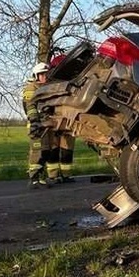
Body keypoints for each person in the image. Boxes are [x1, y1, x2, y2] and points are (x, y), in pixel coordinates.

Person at [22, 61, 56, 188]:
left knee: (46, 152)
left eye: (46, 74)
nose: (45, 77)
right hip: (36, 126)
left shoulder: (45, 88)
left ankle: (41, 177)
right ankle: (34, 180)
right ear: (36, 76)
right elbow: (30, 107)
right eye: (42, 74)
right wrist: (35, 122)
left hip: (46, 125)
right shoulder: (31, 89)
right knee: (37, 152)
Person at [48, 52, 75, 183]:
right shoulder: (50, 84)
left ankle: (65, 175)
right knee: (55, 148)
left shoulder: (71, 83)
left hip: (66, 120)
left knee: (66, 149)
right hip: (54, 120)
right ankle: (53, 175)